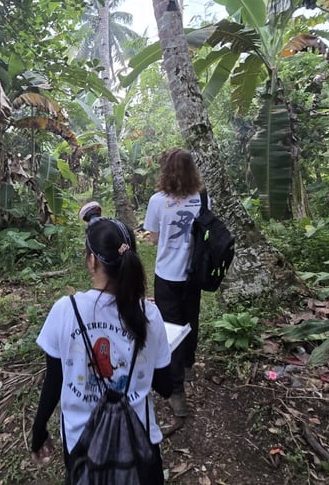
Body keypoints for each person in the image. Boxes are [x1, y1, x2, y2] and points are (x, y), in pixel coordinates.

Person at [30, 218, 173, 482]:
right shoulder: (149, 315)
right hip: (140, 445)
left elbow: (54, 380)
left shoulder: (65, 310)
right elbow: (166, 386)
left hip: (82, 446)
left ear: (93, 261)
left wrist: (39, 431)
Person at [143, 147, 205, 418]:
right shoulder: (201, 197)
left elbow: (155, 237)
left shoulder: (157, 200)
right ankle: (189, 365)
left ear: (165, 170)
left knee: (172, 329)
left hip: (167, 275)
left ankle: (177, 392)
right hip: (194, 274)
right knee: (191, 318)